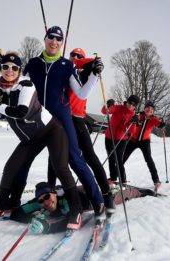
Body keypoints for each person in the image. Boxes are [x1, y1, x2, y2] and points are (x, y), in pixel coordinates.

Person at [0, 51, 83, 230]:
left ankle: (76, 208)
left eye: (14, 67)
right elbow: (1, 116)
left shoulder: (26, 85)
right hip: (31, 137)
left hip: (50, 130)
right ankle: (0, 205)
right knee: (11, 167)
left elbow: (21, 112)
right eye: (5, 67)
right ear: (1, 69)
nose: (9, 70)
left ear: (19, 69)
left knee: (60, 167)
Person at [23, 26, 106, 220]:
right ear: (45, 39)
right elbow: (20, 84)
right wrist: (5, 68)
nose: (54, 41)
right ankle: (8, 202)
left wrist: (94, 74)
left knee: (74, 159)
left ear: (61, 43)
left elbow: (81, 93)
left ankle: (97, 200)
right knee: (24, 158)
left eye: (58, 39)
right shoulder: (33, 63)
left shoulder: (66, 65)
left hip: (61, 119)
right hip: (38, 119)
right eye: (51, 37)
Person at [47, 47, 115, 213]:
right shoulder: (64, 71)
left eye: (79, 56)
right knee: (54, 156)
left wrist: (96, 65)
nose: (75, 57)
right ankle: (50, 192)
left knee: (90, 157)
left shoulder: (84, 73)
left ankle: (106, 195)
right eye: (72, 55)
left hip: (77, 120)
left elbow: (90, 69)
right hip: (61, 118)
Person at [10, 182, 155, 234]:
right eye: (41, 201)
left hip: (89, 199)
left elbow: (72, 222)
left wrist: (47, 227)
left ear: (53, 194)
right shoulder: (41, 201)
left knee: (118, 195)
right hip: (77, 191)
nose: (45, 203)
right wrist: (31, 218)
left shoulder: (67, 201)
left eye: (47, 197)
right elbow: (16, 213)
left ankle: (141, 192)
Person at [124, 100, 165, 191]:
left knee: (149, 160)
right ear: (144, 108)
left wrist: (162, 124)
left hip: (145, 142)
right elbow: (131, 120)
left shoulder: (153, 119)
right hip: (133, 140)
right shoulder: (139, 115)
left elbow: (159, 124)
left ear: (153, 111)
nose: (149, 110)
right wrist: (133, 119)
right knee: (123, 158)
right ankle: (118, 177)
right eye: (147, 108)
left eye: (151, 109)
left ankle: (156, 181)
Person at [101, 95, 139, 185]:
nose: (131, 105)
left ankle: (123, 180)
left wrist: (134, 123)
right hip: (109, 137)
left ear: (135, 106)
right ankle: (113, 178)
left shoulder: (133, 115)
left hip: (121, 140)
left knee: (119, 160)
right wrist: (108, 105)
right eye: (130, 103)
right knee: (111, 158)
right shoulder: (118, 108)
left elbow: (132, 131)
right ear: (127, 101)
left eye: (133, 105)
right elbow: (104, 111)